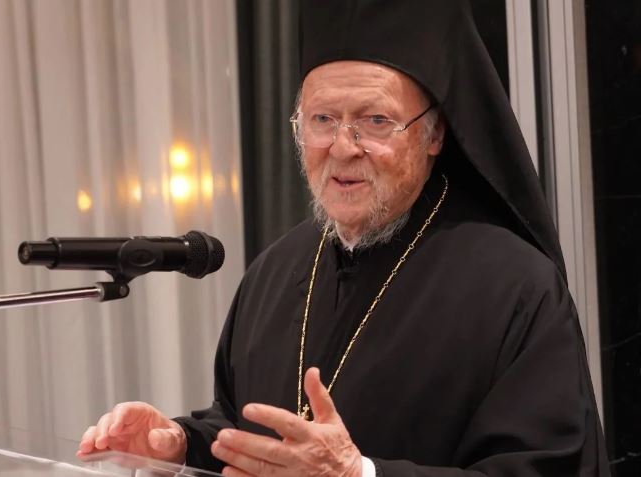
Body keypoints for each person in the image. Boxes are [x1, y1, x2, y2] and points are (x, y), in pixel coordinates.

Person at [78, 0, 611, 475]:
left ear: (435, 133)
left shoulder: (516, 287)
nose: (342, 147)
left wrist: (358, 476)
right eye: (322, 119)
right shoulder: (273, 272)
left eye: (376, 121)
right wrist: (178, 447)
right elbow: (243, 428)